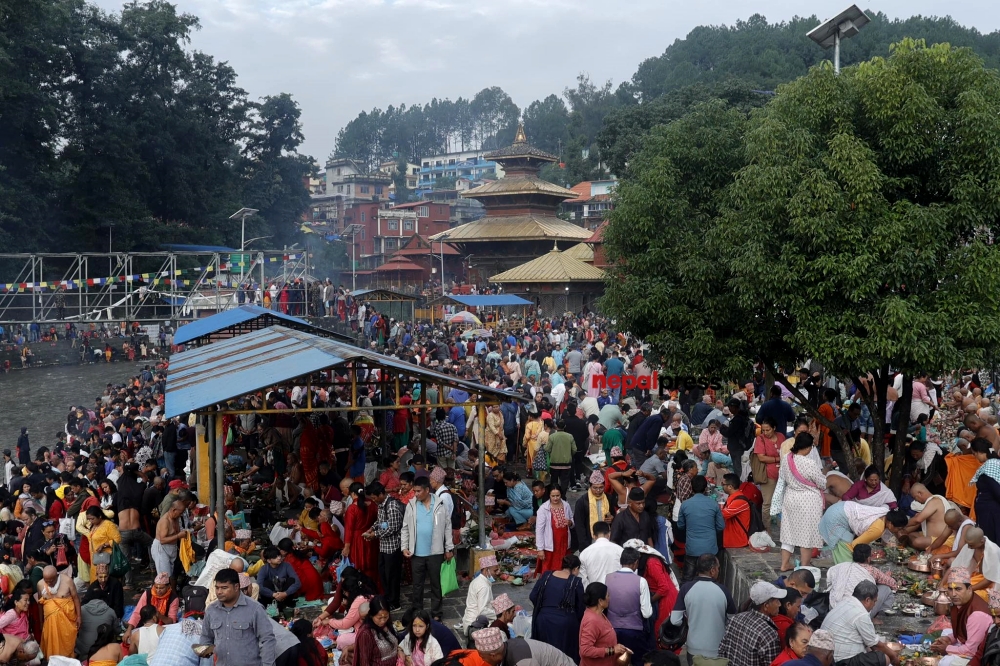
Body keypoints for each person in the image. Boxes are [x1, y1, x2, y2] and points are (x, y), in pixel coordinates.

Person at [401, 476, 455, 621]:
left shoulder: (440, 503)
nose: (416, 494)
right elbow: (405, 527)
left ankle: (436, 613)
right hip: (416, 553)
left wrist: (449, 548)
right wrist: (404, 546)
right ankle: (418, 612)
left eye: (418, 491)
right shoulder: (411, 505)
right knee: (417, 585)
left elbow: (447, 527)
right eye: (415, 491)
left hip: (435, 552)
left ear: (426, 490)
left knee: (436, 584)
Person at [199, 568, 276, 666]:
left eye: (224, 588)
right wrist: (204, 649)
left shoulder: (254, 609)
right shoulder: (211, 610)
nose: (219, 592)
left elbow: (267, 640)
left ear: (236, 587)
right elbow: (206, 637)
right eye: (217, 588)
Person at [671, 554, 737, 666]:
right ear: (712, 571)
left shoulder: (686, 589)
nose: (718, 571)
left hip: (694, 648)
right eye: (718, 568)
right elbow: (732, 621)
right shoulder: (723, 591)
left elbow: (675, 620)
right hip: (717, 649)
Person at [779, 433, 827, 571]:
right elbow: (822, 483)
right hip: (808, 502)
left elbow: (782, 476)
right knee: (807, 535)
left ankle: (784, 564)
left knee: (788, 533)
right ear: (807, 448)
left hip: (790, 498)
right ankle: (805, 566)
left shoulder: (786, 459)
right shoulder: (809, 463)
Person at [820, 581, 896, 666]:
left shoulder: (846, 601)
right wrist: (894, 657)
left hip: (828, 655)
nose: (874, 605)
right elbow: (876, 645)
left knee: (870, 648)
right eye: (874, 601)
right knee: (883, 658)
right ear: (867, 600)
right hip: (839, 661)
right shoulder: (861, 613)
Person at [930, 567, 992, 666]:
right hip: (968, 644)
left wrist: (946, 648)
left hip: (976, 656)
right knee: (945, 633)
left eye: (958, 589)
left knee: (946, 662)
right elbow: (961, 631)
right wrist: (949, 639)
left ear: (969, 589)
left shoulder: (977, 615)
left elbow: (971, 651)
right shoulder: (961, 602)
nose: (953, 594)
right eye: (950, 589)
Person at [530, 554, 585, 661]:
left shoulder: (546, 576)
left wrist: (543, 609)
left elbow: (533, 596)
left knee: (544, 656)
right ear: (576, 568)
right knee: (563, 658)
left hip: (543, 621)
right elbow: (580, 608)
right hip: (565, 625)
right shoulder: (576, 582)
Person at [606, 547, 653, 665]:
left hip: (612, 629)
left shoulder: (608, 578)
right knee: (639, 660)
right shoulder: (641, 581)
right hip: (634, 630)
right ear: (636, 562)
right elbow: (647, 612)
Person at [718, 581, 784, 666]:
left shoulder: (735, 619)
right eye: (777, 601)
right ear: (766, 606)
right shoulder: (769, 634)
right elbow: (772, 664)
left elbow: (722, 651)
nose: (779, 604)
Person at [624, 539, 677, 637]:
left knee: (660, 633)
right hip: (658, 597)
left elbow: (664, 587)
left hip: (665, 600)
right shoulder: (644, 562)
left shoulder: (651, 562)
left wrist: (650, 600)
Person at [365, 482, 404, 610]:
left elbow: (393, 527)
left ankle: (395, 602)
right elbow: (381, 522)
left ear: (381, 494)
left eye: (374, 497)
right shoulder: (381, 505)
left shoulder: (391, 505)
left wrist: (374, 534)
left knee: (392, 576)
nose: (373, 500)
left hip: (393, 547)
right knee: (383, 574)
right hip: (383, 546)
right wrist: (371, 529)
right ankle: (388, 597)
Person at [677, 476, 724, 580]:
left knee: (688, 578)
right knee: (711, 578)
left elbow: (680, 525)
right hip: (710, 548)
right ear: (706, 488)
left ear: (692, 488)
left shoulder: (685, 504)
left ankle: (685, 595)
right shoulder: (713, 504)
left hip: (692, 548)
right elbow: (721, 526)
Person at [818, 501, 891, 564]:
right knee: (845, 549)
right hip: (836, 517)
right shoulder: (878, 529)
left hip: (839, 508)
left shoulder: (885, 512)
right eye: (900, 529)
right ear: (890, 524)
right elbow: (854, 545)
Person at [942, 527, 1000, 601]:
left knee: (972, 596)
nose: (968, 547)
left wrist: (969, 589)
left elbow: (990, 580)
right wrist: (942, 583)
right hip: (975, 579)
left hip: (991, 585)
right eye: (968, 544)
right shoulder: (970, 545)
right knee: (950, 586)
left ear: (981, 542)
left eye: (971, 545)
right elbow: (955, 567)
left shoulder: (993, 551)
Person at [470, 626, 575, 666]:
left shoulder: (523, 661)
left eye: (483, 656)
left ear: (493, 655)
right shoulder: (507, 647)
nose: (482, 659)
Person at [580, 582, 629, 666]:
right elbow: (585, 650)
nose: (609, 598)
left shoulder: (599, 614)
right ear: (600, 601)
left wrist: (617, 648)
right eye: (607, 596)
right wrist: (612, 650)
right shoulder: (592, 621)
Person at [37, 566, 80, 658]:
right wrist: (41, 622)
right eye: (46, 580)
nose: (48, 583)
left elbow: (76, 598)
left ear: (57, 575)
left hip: (67, 622)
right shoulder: (40, 584)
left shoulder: (67, 581)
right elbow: (40, 604)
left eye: (51, 581)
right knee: (52, 645)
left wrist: (79, 617)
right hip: (50, 624)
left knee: (68, 644)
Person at [344, 483, 379, 586]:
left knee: (359, 565)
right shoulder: (372, 504)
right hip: (371, 536)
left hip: (357, 539)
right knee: (372, 564)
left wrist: (347, 546)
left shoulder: (352, 508)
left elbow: (349, 529)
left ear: (353, 493)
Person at [536, 486, 574, 573]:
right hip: (551, 542)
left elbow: (572, 519)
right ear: (549, 495)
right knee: (550, 568)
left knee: (564, 566)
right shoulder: (543, 509)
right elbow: (539, 530)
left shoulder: (566, 505)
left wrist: (570, 523)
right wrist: (540, 549)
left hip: (564, 542)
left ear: (561, 495)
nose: (555, 498)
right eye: (553, 496)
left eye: (558, 495)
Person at [576, 471, 614, 552]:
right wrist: (584, 544)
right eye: (595, 488)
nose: (598, 490)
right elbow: (579, 525)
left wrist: (612, 518)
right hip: (590, 540)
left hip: (606, 538)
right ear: (590, 487)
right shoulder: (582, 502)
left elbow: (613, 514)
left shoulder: (609, 498)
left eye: (601, 487)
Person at [460, 555, 500, 635]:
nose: (497, 573)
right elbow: (482, 611)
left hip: (469, 623)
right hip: (475, 627)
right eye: (495, 571)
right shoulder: (484, 586)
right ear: (486, 570)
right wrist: (498, 614)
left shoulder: (477, 581)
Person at [354, 597, 399, 666]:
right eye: (379, 618)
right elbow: (364, 661)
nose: (383, 621)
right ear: (371, 616)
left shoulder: (387, 624)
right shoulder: (366, 633)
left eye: (386, 617)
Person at [256, 546, 302, 611]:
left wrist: (285, 593)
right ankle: (276, 605)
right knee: (265, 583)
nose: (279, 558)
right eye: (275, 557)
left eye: (279, 555)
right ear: (269, 560)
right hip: (272, 597)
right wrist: (273, 594)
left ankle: (285, 604)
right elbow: (259, 586)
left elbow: (297, 582)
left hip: (285, 594)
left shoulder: (287, 565)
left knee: (292, 580)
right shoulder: (264, 569)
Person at [580, 521, 624, 587]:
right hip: (616, 591)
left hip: (595, 593)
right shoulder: (620, 550)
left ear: (593, 536)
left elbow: (583, 579)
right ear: (609, 534)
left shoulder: (584, 553)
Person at [720, 473, 752, 549]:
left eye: (723, 484)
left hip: (737, 541)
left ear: (730, 487)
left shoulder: (740, 501)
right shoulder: (733, 497)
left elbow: (723, 514)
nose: (722, 486)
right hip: (731, 538)